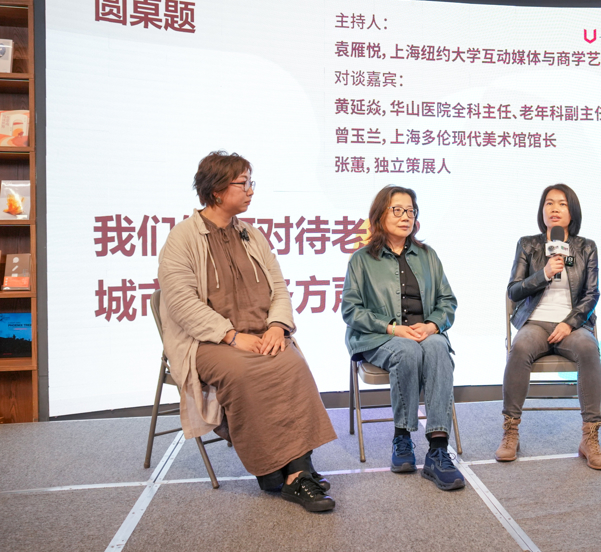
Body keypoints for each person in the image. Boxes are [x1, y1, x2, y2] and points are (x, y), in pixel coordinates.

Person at [158, 151, 337, 512]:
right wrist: (232, 336)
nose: (251, 190)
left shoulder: (251, 235)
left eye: (250, 182)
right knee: (244, 373)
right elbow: (181, 303)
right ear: (217, 190)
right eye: (243, 183)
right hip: (208, 342)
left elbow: (279, 288)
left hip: (260, 333)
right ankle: (277, 471)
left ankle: (295, 472)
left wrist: (277, 326)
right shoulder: (182, 238)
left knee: (292, 364)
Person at [341, 185, 464, 491]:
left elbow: (448, 302)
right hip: (379, 337)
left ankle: (438, 449)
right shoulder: (361, 260)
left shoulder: (427, 256)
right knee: (407, 351)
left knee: (438, 348)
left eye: (410, 210)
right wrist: (393, 328)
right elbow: (351, 310)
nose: (405, 216)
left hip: (425, 334)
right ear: (379, 215)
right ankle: (402, 437)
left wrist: (432, 325)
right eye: (397, 210)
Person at [496, 184, 601, 470]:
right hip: (535, 322)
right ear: (542, 210)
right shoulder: (528, 245)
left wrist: (569, 323)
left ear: (572, 212)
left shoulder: (586, 247)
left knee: (589, 349)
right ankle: (510, 432)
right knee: (520, 347)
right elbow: (514, 291)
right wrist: (544, 273)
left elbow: (591, 294)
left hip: (572, 324)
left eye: (562, 204)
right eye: (549, 203)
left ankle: (590, 437)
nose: (554, 209)